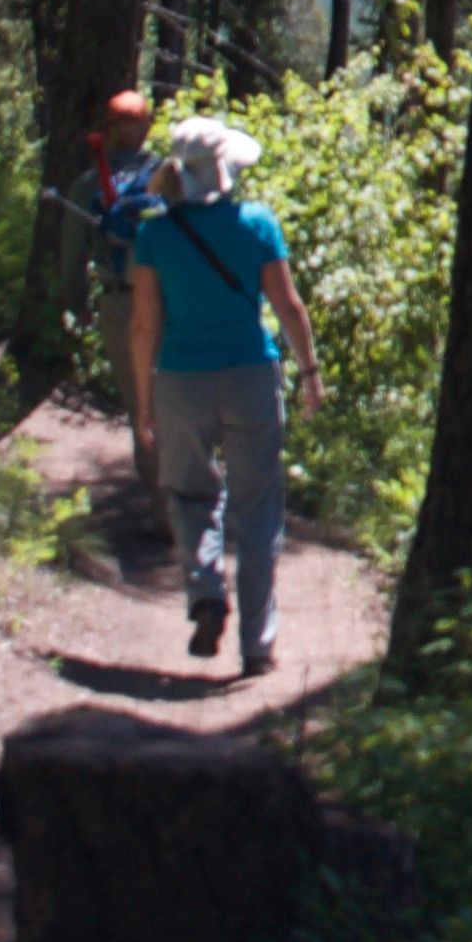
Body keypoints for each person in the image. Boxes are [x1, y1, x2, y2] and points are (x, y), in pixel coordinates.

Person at [123, 114, 322, 673]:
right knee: (259, 510)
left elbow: (143, 326)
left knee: (188, 496)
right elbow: (289, 307)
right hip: (250, 377)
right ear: (225, 169)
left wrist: (143, 404)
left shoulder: (154, 234)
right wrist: (309, 372)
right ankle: (257, 646)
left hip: (181, 380)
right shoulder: (257, 223)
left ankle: (207, 590)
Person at [56, 89, 163, 482]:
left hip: (120, 304)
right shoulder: (168, 175)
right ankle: (189, 508)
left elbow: (72, 252)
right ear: (147, 126)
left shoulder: (88, 185)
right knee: (176, 403)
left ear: (109, 129)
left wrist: (76, 301)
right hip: (171, 302)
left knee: (142, 408)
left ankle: (165, 509)